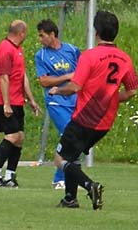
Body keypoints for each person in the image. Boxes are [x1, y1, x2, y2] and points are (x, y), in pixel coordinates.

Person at [48, 10, 138, 210]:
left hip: (84, 118)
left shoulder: (89, 56)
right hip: (104, 123)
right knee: (73, 156)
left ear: (96, 31)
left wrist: (57, 90)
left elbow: (75, 87)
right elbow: (132, 90)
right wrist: (111, 98)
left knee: (60, 159)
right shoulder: (125, 59)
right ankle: (70, 199)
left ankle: (90, 186)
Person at [0, 20, 40, 188]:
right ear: (21, 33)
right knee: (12, 136)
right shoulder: (5, 48)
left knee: (19, 138)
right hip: (1, 99)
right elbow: (3, 77)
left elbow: (22, 76)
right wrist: (6, 104)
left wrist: (31, 100)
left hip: (16, 100)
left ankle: (9, 176)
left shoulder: (18, 50)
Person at [34, 19, 80, 190]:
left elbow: (81, 73)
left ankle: (70, 178)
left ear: (52, 34)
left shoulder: (72, 51)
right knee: (69, 134)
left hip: (74, 100)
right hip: (55, 101)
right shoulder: (41, 55)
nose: (40, 39)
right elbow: (44, 80)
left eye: (42, 35)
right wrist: (66, 77)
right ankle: (59, 178)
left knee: (76, 138)